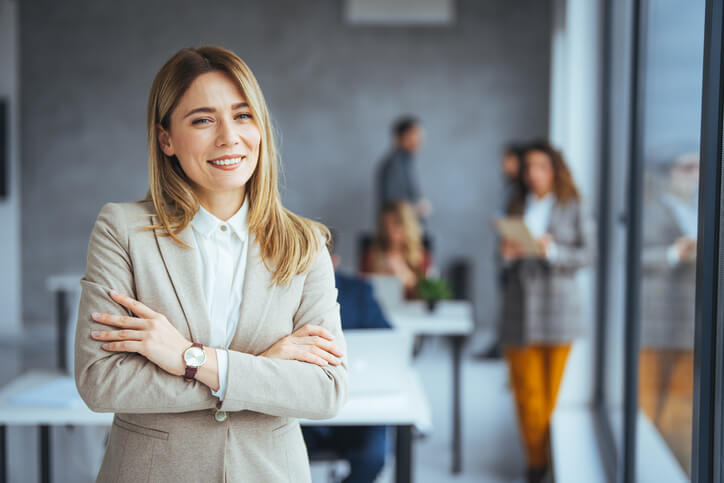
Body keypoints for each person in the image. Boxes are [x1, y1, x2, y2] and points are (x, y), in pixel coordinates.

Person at [73, 46, 348, 483]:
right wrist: (261, 369)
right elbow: (100, 380)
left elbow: (325, 390)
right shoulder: (121, 230)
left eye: (242, 116)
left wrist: (189, 357)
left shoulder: (304, 244)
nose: (228, 137)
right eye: (203, 120)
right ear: (166, 139)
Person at [498, 140, 593, 483]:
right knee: (527, 395)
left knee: (549, 398)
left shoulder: (572, 205)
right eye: (529, 168)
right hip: (519, 309)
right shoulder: (516, 203)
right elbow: (504, 259)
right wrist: (508, 254)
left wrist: (551, 252)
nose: (534, 174)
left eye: (541, 167)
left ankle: (542, 465)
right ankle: (539, 463)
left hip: (559, 309)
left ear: (554, 170)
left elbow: (587, 255)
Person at [302, 232, 391, 483]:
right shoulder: (281, 292)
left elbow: (386, 343)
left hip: (356, 403)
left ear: (334, 262)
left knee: (373, 456)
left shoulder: (359, 292)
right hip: (301, 406)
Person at [639, 152, 699, 475]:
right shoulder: (651, 211)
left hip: (692, 321)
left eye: (699, 167)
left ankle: (674, 467)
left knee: (683, 406)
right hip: (657, 320)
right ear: (669, 172)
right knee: (648, 401)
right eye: (687, 167)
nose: (694, 174)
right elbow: (632, 257)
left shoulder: (702, 210)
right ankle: (648, 466)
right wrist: (673, 254)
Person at [476, 142, 528, 359]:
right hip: (505, 254)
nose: (503, 165)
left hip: (519, 259)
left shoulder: (522, 192)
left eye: (508, 160)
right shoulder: (509, 187)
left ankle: (505, 347)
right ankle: (502, 345)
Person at [360, 201, 432, 299]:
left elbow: (429, 296)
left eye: (396, 224)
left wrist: (407, 278)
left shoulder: (421, 257)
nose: (390, 231)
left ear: (407, 226)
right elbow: (360, 290)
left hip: (409, 311)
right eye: (385, 225)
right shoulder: (371, 255)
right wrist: (378, 278)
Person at [375, 115, 432, 221]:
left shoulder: (405, 161)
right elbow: (393, 204)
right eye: (416, 134)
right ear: (404, 136)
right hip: (400, 229)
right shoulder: (395, 164)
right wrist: (417, 208)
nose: (420, 140)